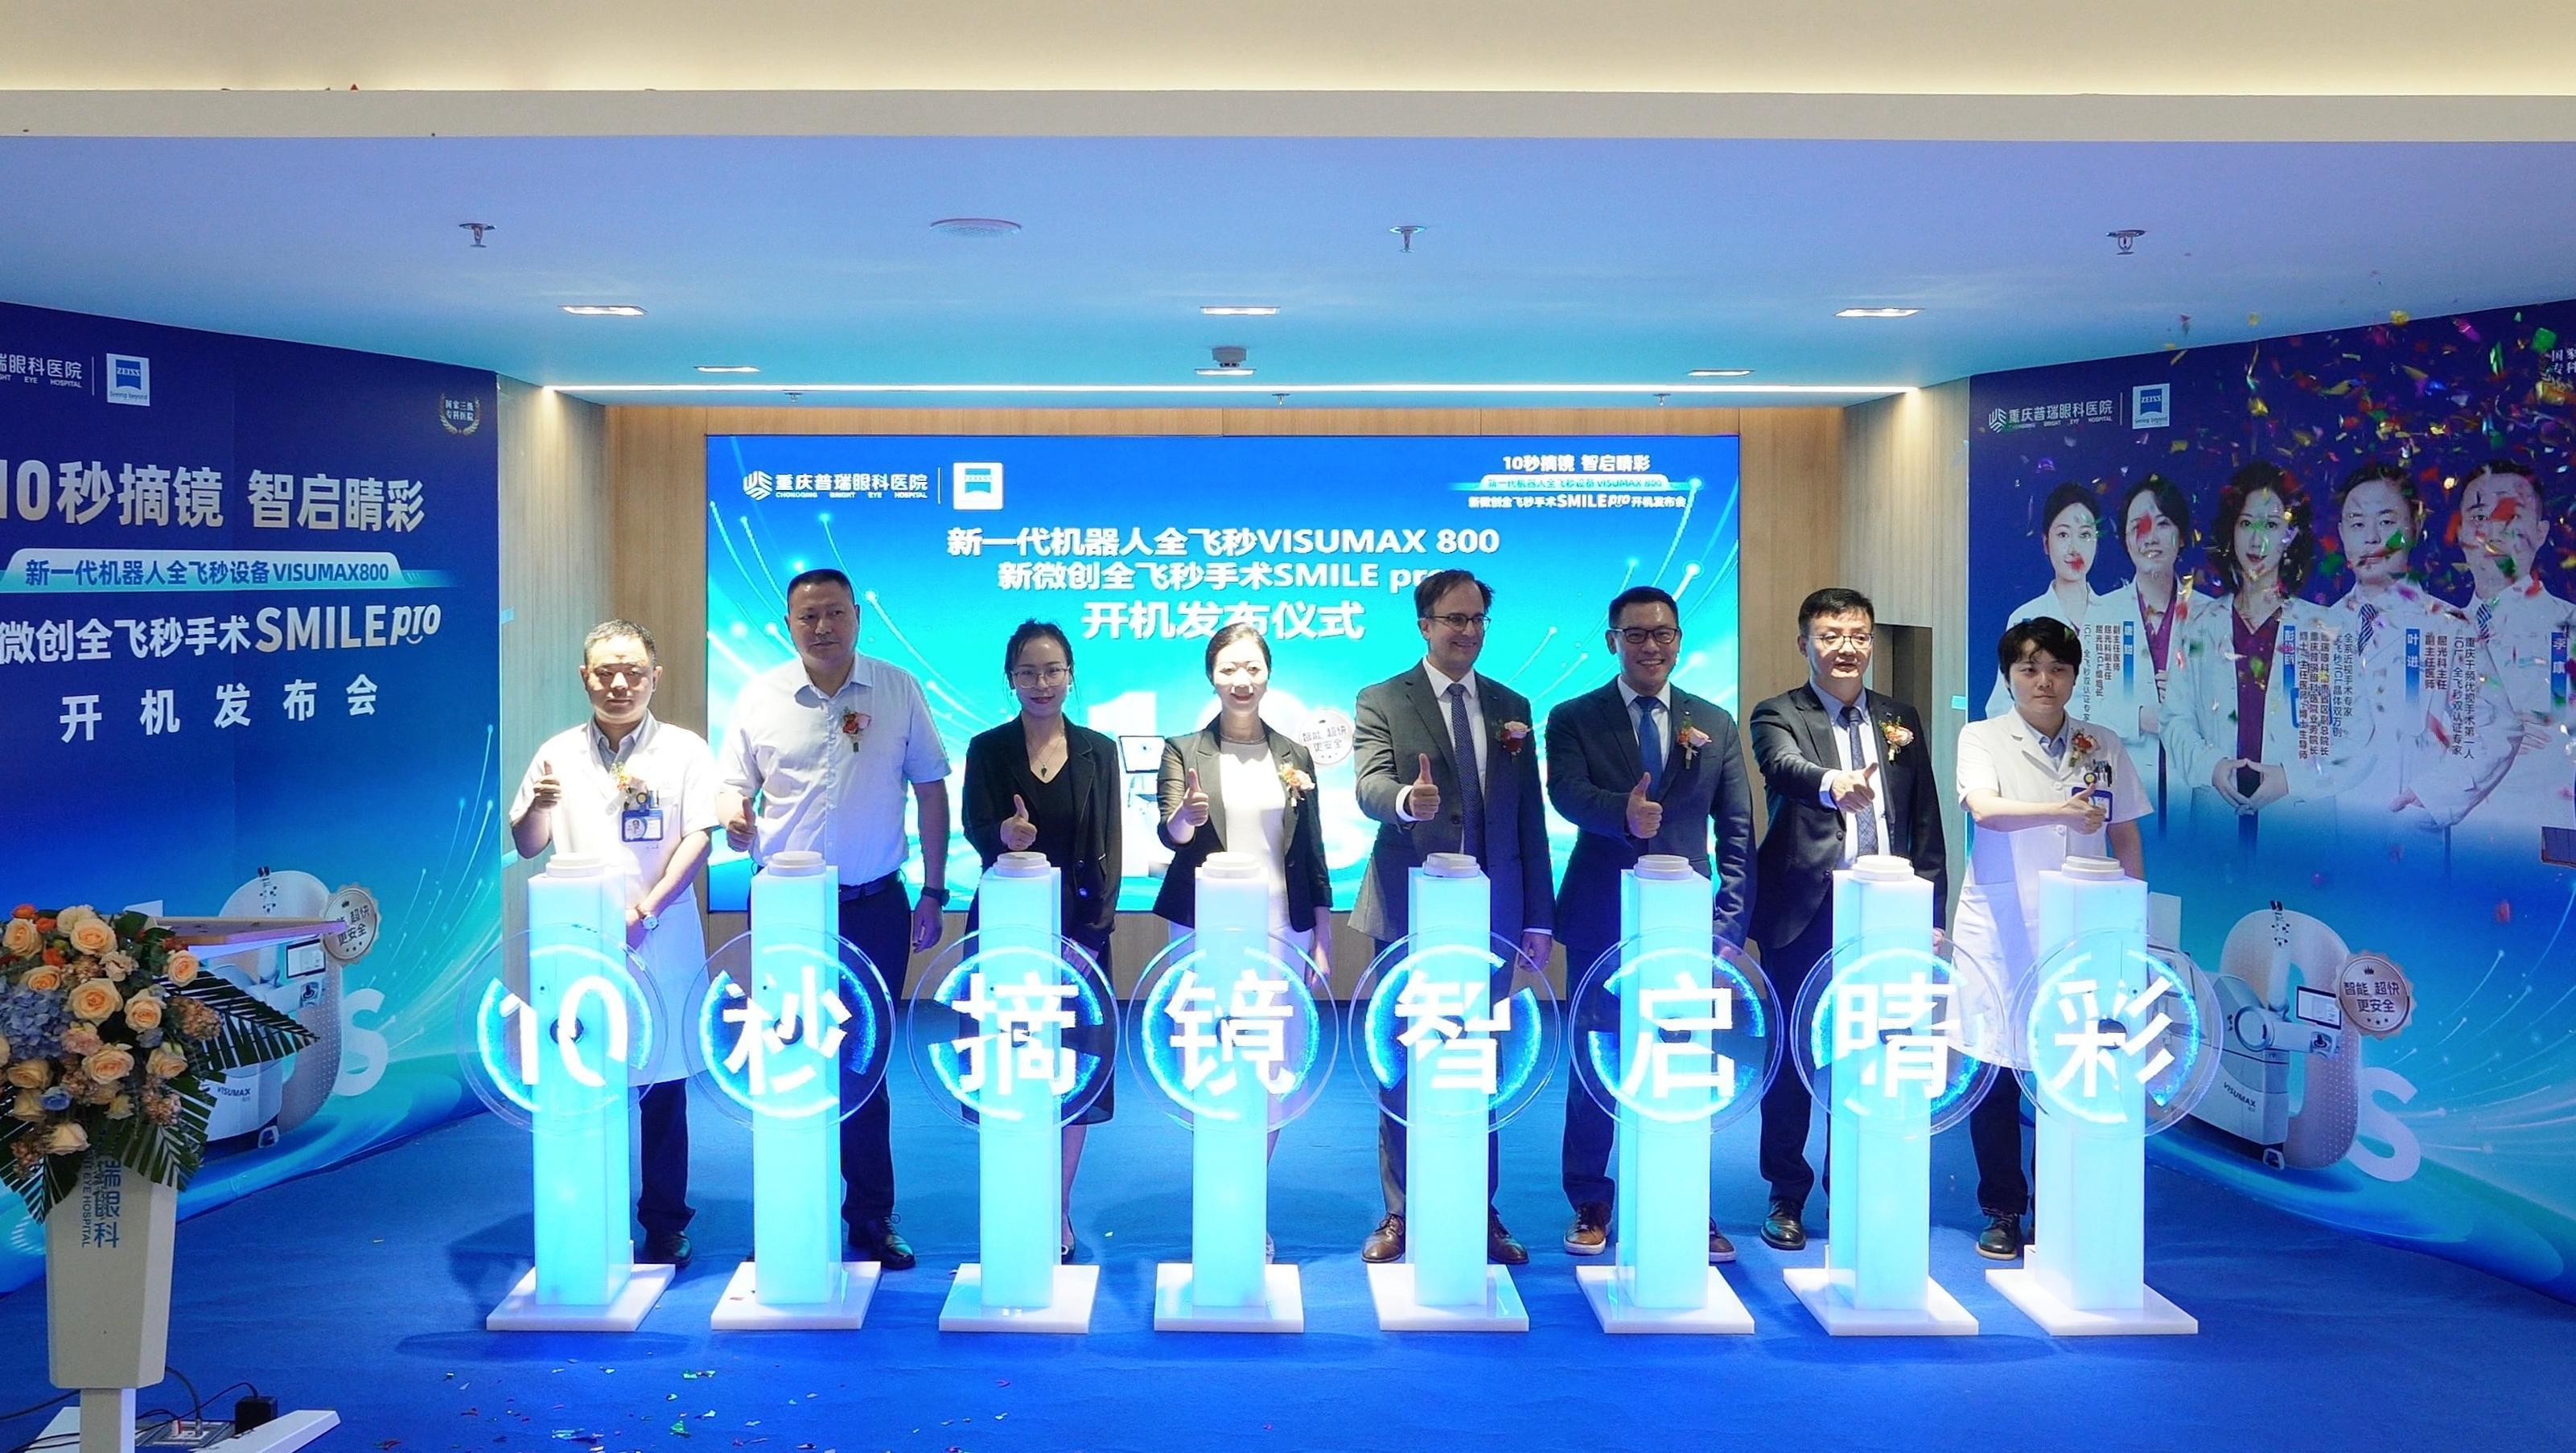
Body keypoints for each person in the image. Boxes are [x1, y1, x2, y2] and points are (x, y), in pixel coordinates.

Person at [717, 567, 950, 1271]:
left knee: (863, 1062)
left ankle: (871, 1215)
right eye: (808, 616)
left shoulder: (897, 689)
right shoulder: (760, 696)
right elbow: (733, 785)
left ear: (857, 617)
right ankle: (791, 1209)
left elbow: (931, 790)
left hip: (874, 905)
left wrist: (934, 891)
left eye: (835, 613)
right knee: (785, 1053)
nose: (822, 627)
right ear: (789, 625)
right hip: (785, 907)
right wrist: (733, 814)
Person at [1348, 569, 1553, 1267]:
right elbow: (1369, 784)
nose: (1467, 632)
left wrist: (1538, 919)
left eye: (1477, 620)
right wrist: (1408, 801)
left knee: (1479, 1059)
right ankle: (1402, 1210)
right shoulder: (1382, 699)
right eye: (1454, 619)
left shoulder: (1511, 706)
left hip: (1491, 917)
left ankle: (1477, 1207)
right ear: (1425, 626)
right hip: (1410, 910)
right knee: (1404, 1058)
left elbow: (1529, 821)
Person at [1545, 585, 1755, 1262]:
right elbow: (1565, 792)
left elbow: (1737, 827)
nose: (1650, 646)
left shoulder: (1713, 721)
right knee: (1596, 1060)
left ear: (1679, 641)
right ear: (1613, 641)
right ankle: (1591, 1199)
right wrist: (1622, 814)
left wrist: (1729, 923)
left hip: (1686, 923)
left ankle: (1685, 1201)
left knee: (1682, 1059)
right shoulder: (1574, 716)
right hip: (1600, 916)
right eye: (1635, 634)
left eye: (1663, 634)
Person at [508, 619, 717, 1267]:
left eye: (633, 671)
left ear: (656, 677)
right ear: (585, 677)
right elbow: (528, 843)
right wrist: (539, 805)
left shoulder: (684, 751)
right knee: (582, 1075)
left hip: (659, 932)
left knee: (662, 1085)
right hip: (576, 941)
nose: (619, 684)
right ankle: (586, 1211)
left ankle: (665, 1221)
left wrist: (646, 910)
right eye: (605, 672)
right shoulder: (557, 752)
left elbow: (699, 837)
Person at [1746, 588, 1947, 1253]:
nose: (1846, 648)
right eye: (1831, 635)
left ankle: (1854, 1183)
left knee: (1873, 1048)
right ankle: (1787, 1192)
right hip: (1806, 909)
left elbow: (1924, 819)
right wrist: (1834, 783)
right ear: (1804, 642)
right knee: (1794, 1055)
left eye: (1858, 635)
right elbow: (1783, 768)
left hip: (1889, 911)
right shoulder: (1778, 712)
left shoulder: (1899, 718)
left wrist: (1932, 914)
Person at [1953, 615, 2149, 1259]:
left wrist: (2133, 918)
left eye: (2058, 669)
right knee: (1997, 1066)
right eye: (2030, 669)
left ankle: (2061, 1205)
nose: (2044, 681)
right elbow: (1985, 810)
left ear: (2074, 677)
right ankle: (2003, 1208)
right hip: (2003, 926)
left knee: (2070, 1066)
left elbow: (2125, 833)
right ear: (2009, 676)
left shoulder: (2103, 743)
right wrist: (2058, 811)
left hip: (2083, 928)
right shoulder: (1982, 737)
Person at [959, 620, 1122, 1263]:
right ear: (1011, 679)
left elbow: (1110, 847)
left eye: (1053, 670)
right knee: (1007, 1062)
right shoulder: (987, 748)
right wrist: (1004, 834)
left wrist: (1092, 938)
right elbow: (975, 825)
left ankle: (1056, 1206)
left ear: (1070, 676)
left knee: (1072, 1071)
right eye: (1027, 672)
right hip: (1004, 929)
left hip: (1078, 935)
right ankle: (1014, 1197)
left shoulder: (1098, 750)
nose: (1041, 683)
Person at [2160, 463, 2370, 850]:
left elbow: (2358, 736)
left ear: (2291, 536)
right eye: (2246, 524)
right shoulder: (2199, 624)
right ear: (2231, 531)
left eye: (2272, 525)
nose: (2257, 540)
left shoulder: (2327, 628)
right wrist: (2211, 767)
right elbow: (2175, 719)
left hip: (2298, 827)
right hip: (2216, 821)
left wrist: (2290, 779)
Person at [2323, 463, 2512, 848]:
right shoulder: (2317, 627)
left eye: (2386, 522)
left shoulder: (2448, 627)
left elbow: (2497, 729)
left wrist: (2434, 797)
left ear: (2415, 526)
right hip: (2321, 838)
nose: (2372, 538)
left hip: (2406, 836)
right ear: (2342, 534)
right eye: (2357, 524)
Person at [2456, 460, 2576, 830]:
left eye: (2511, 515)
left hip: (2541, 833)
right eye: (2479, 516)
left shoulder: (2569, 625)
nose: (2493, 530)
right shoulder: (2436, 631)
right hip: (2446, 839)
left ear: (2540, 533)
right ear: (2460, 532)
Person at [2085, 477, 2216, 809]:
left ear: (2182, 536)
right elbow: (2078, 705)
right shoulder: (2098, 614)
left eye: (2163, 523)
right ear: (2126, 540)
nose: (2151, 537)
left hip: (2197, 795)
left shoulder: (2213, 616)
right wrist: (2140, 717)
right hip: (2120, 783)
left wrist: (2192, 698)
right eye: (2138, 527)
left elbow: (2237, 711)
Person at [1985, 483, 2104, 718]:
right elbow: (2000, 706)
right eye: (2063, 535)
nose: (2074, 548)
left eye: (2085, 535)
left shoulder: (2117, 613)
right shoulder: (2025, 618)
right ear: (2046, 543)